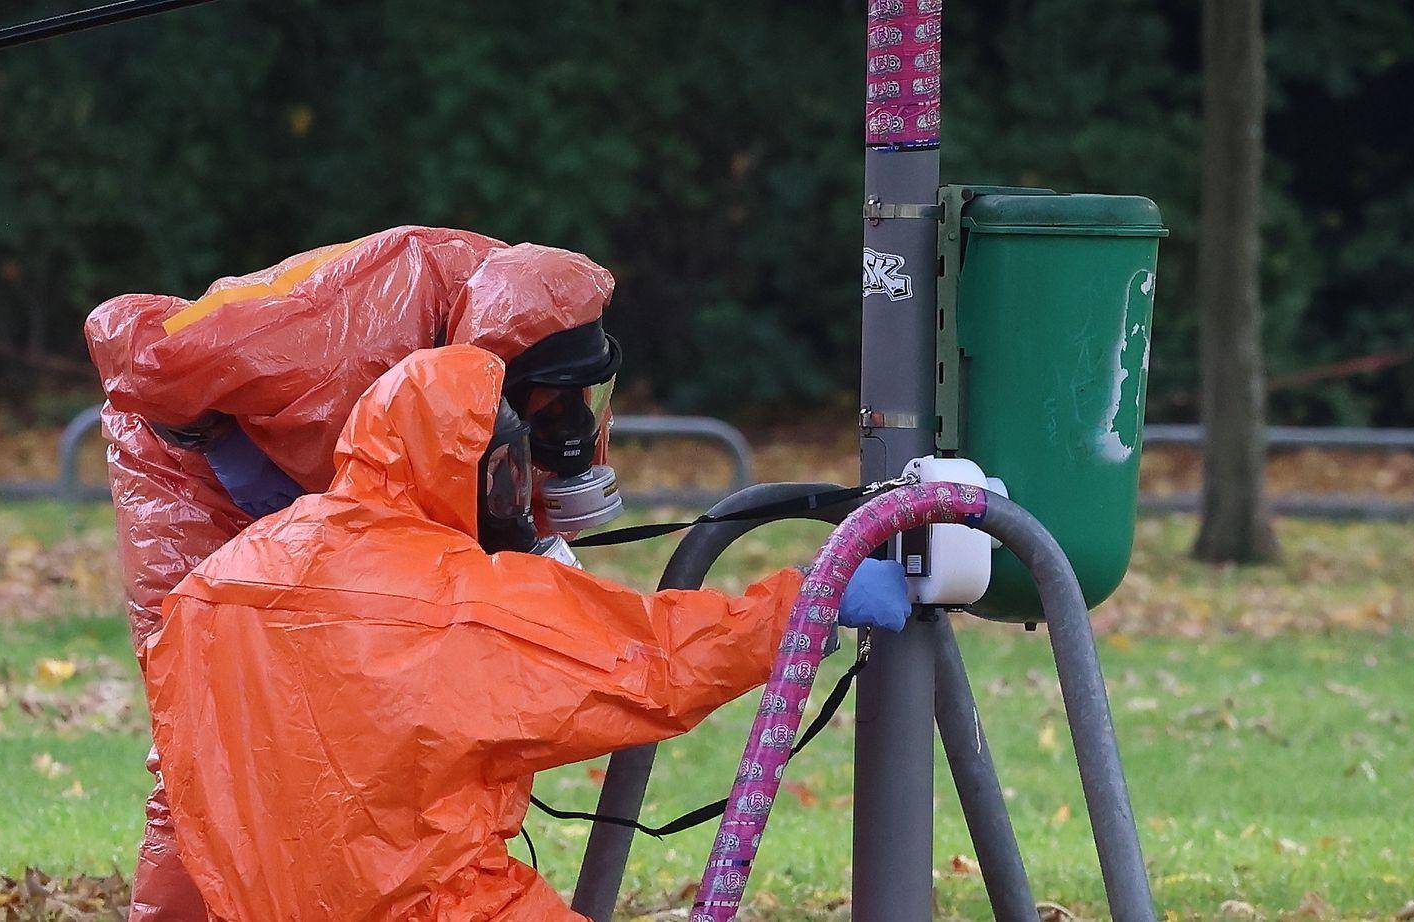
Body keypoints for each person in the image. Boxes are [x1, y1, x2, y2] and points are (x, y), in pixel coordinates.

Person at [145, 345, 911, 921]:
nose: (520, 496)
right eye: (508, 473)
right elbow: (653, 662)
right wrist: (808, 603)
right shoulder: (461, 601)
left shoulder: (211, 588)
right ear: (464, 469)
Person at [86, 227, 625, 921]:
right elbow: (132, 341)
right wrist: (254, 458)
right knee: (209, 738)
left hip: (347, 500)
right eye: (550, 405)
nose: (576, 428)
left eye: (584, 398)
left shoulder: (546, 320)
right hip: (198, 488)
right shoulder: (336, 329)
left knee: (390, 721)